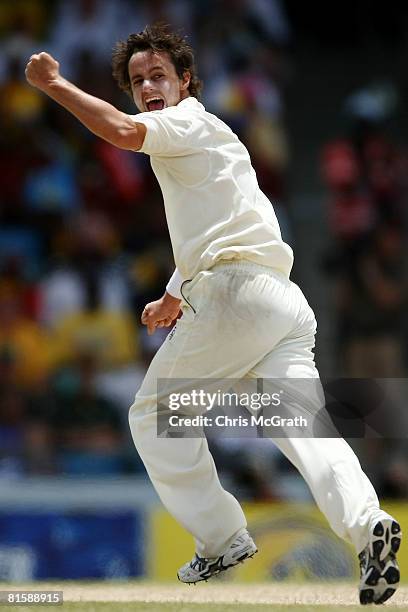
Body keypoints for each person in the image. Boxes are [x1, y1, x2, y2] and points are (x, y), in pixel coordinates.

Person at [25, 24, 401, 605]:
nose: (148, 86)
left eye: (159, 77)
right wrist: (177, 289)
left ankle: (222, 538)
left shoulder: (183, 120)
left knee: (152, 418)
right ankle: (369, 525)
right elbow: (224, 219)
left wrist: (54, 85)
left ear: (185, 82)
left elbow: (120, 131)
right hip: (280, 302)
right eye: (137, 80)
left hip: (238, 297)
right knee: (306, 432)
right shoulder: (206, 133)